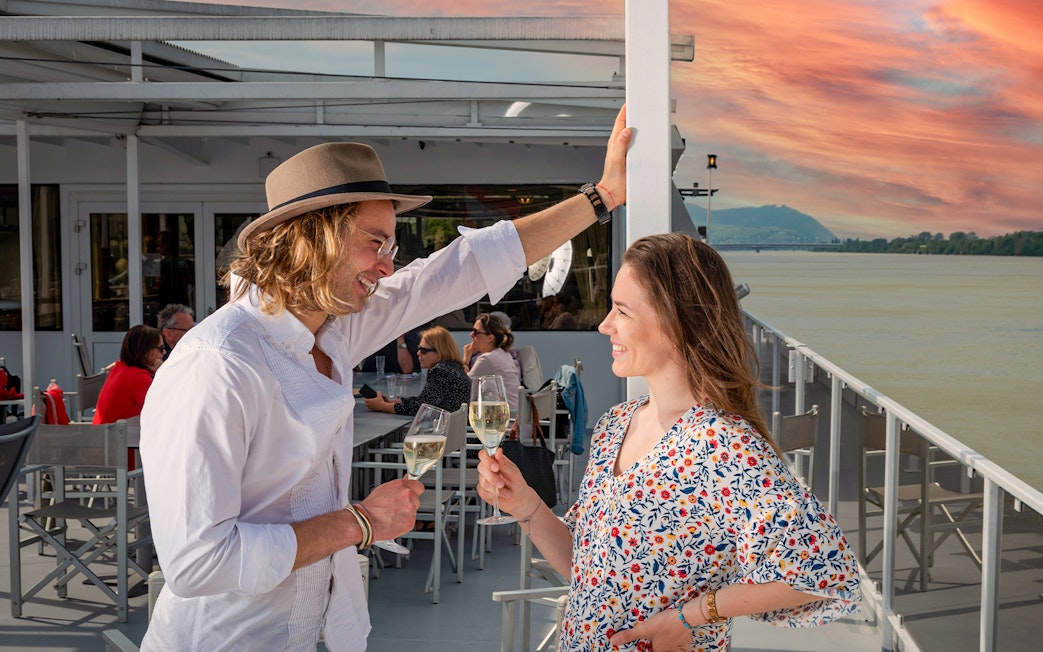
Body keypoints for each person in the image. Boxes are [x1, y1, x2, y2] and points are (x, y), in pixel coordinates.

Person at [138, 106, 630, 651]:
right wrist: (360, 524)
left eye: (391, 248)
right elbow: (196, 563)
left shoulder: (333, 328)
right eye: (376, 243)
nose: (388, 266)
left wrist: (602, 196)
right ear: (310, 239)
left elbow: (462, 266)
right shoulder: (216, 364)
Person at [477, 233, 860, 652]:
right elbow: (585, 568)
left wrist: (692, 616)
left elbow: (823, 569)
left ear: (677, 322)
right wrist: (525, 505)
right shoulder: (615, 425)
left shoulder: (721, 444)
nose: (605, 325)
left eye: (622, 311)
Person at [363, 326, 469, 416]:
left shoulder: (441, 371)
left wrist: (382, 406)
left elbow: (421, 409)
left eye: (424, 350)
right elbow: (424, 401)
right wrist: (392, 402)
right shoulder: (453, 367)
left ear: (440, 351)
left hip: (448, 435)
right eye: (419, 349)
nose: (418, 353)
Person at [92, 324, 163, 424]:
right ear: (146, 350)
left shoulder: (120, 368)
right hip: (116, 437)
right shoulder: (138, 377)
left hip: (104, 435)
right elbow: (164, 410)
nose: (164, 352)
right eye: (161, 348)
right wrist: (162, 373)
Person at [462, 312, 521, 412]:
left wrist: (466, 359)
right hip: (515, 415)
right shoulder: (503, 353)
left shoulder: (487, 359)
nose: (471, 335)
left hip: (504, 419)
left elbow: (463, 387)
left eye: (476, 332)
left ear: (490, 338)